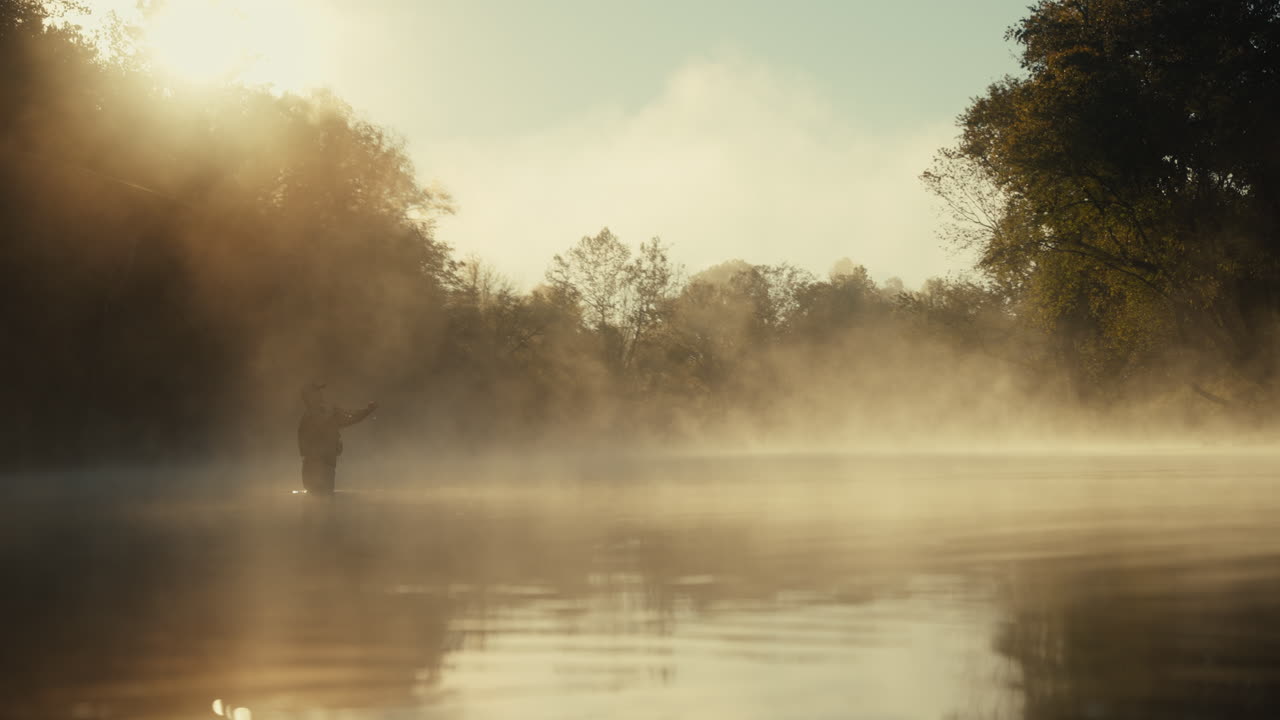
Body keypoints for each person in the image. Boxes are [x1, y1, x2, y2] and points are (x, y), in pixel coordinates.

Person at [297, 383, 377, 495]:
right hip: (318, 468)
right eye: (317, 392)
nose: (321, 394)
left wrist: (367, 411)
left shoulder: (323, 414)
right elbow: (342, 420)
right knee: (320, 501)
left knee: (321, 503)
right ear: (309, 396)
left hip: (324, 466)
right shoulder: (312, 417)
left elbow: (350, 418)